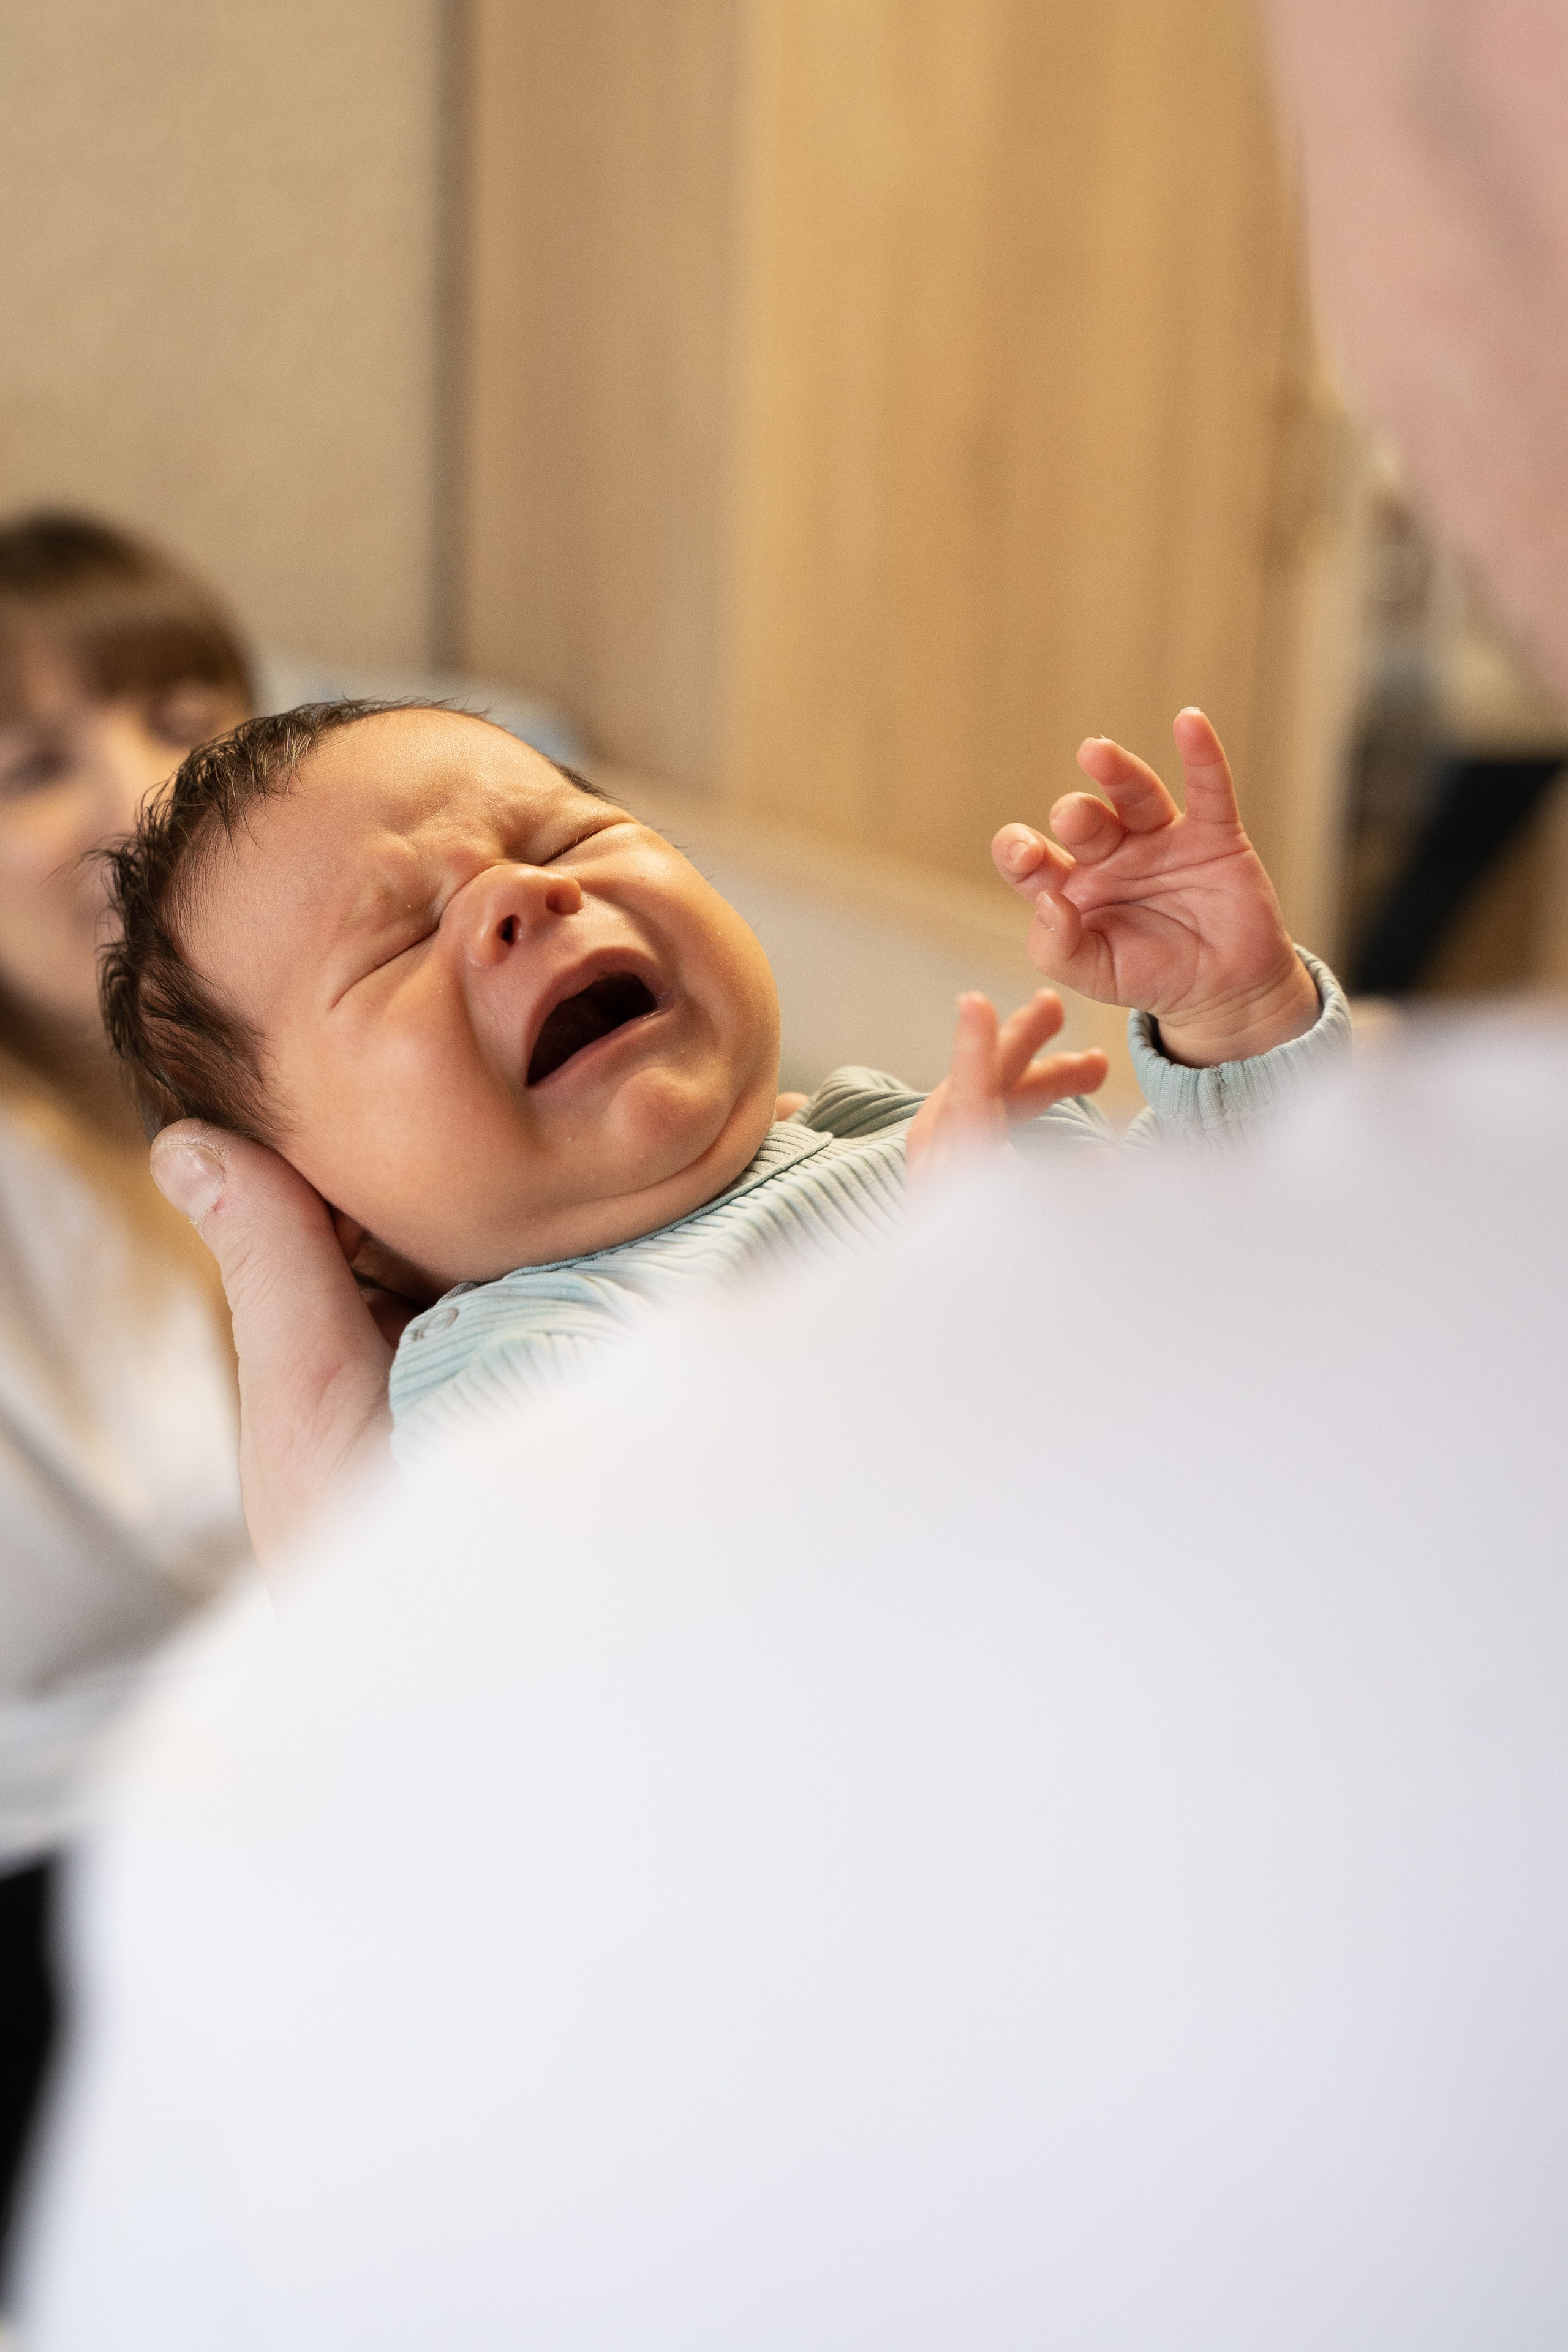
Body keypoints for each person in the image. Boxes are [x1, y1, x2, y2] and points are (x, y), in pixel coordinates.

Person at [99, 696, 1340, 1506]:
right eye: (392, 943)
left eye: (562, 837)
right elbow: (744, 1574)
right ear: (332, 1216)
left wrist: (1232, 1016)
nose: (514, 899)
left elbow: (1300, 1273)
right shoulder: (505, 1369)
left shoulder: (896, 1129)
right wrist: (932, 1286)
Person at [0, 514, 254, 2271]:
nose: (140, 794)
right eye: (29, 762)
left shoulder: (354, 1110)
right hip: (68, 1875)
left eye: (192, 715)